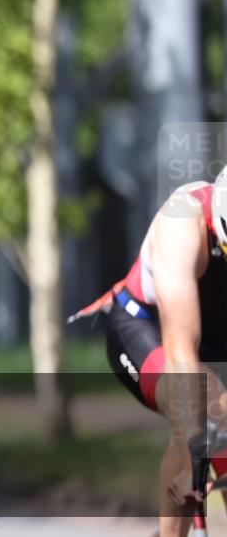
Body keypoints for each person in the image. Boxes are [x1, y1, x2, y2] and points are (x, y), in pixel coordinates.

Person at [73, 165, 227, 537]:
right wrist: (192, 450)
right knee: (199, 404)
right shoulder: (183, 225)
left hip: (215, 338)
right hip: (145, 329)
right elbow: (181, 360)